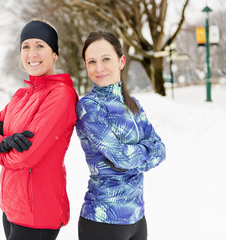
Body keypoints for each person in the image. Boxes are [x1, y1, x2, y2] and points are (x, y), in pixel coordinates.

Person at [0, 19, 78, 240]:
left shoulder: (60, 95)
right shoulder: (21, 96)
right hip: (12, 208)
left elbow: (25, 156)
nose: (32, 53)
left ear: (54, 54)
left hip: (38, 214)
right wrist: (3, 144)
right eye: (26, 46)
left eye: (40, 45)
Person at [75, 31, 166, 240]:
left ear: (121, 61)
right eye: (92, 61)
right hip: (102, 220)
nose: (99, 68)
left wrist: (132, 157)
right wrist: (144, 152)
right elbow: (122, 157)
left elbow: (160, 149)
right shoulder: (89, 107)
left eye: (106, 59)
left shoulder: (133, 104)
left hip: (137, 217)